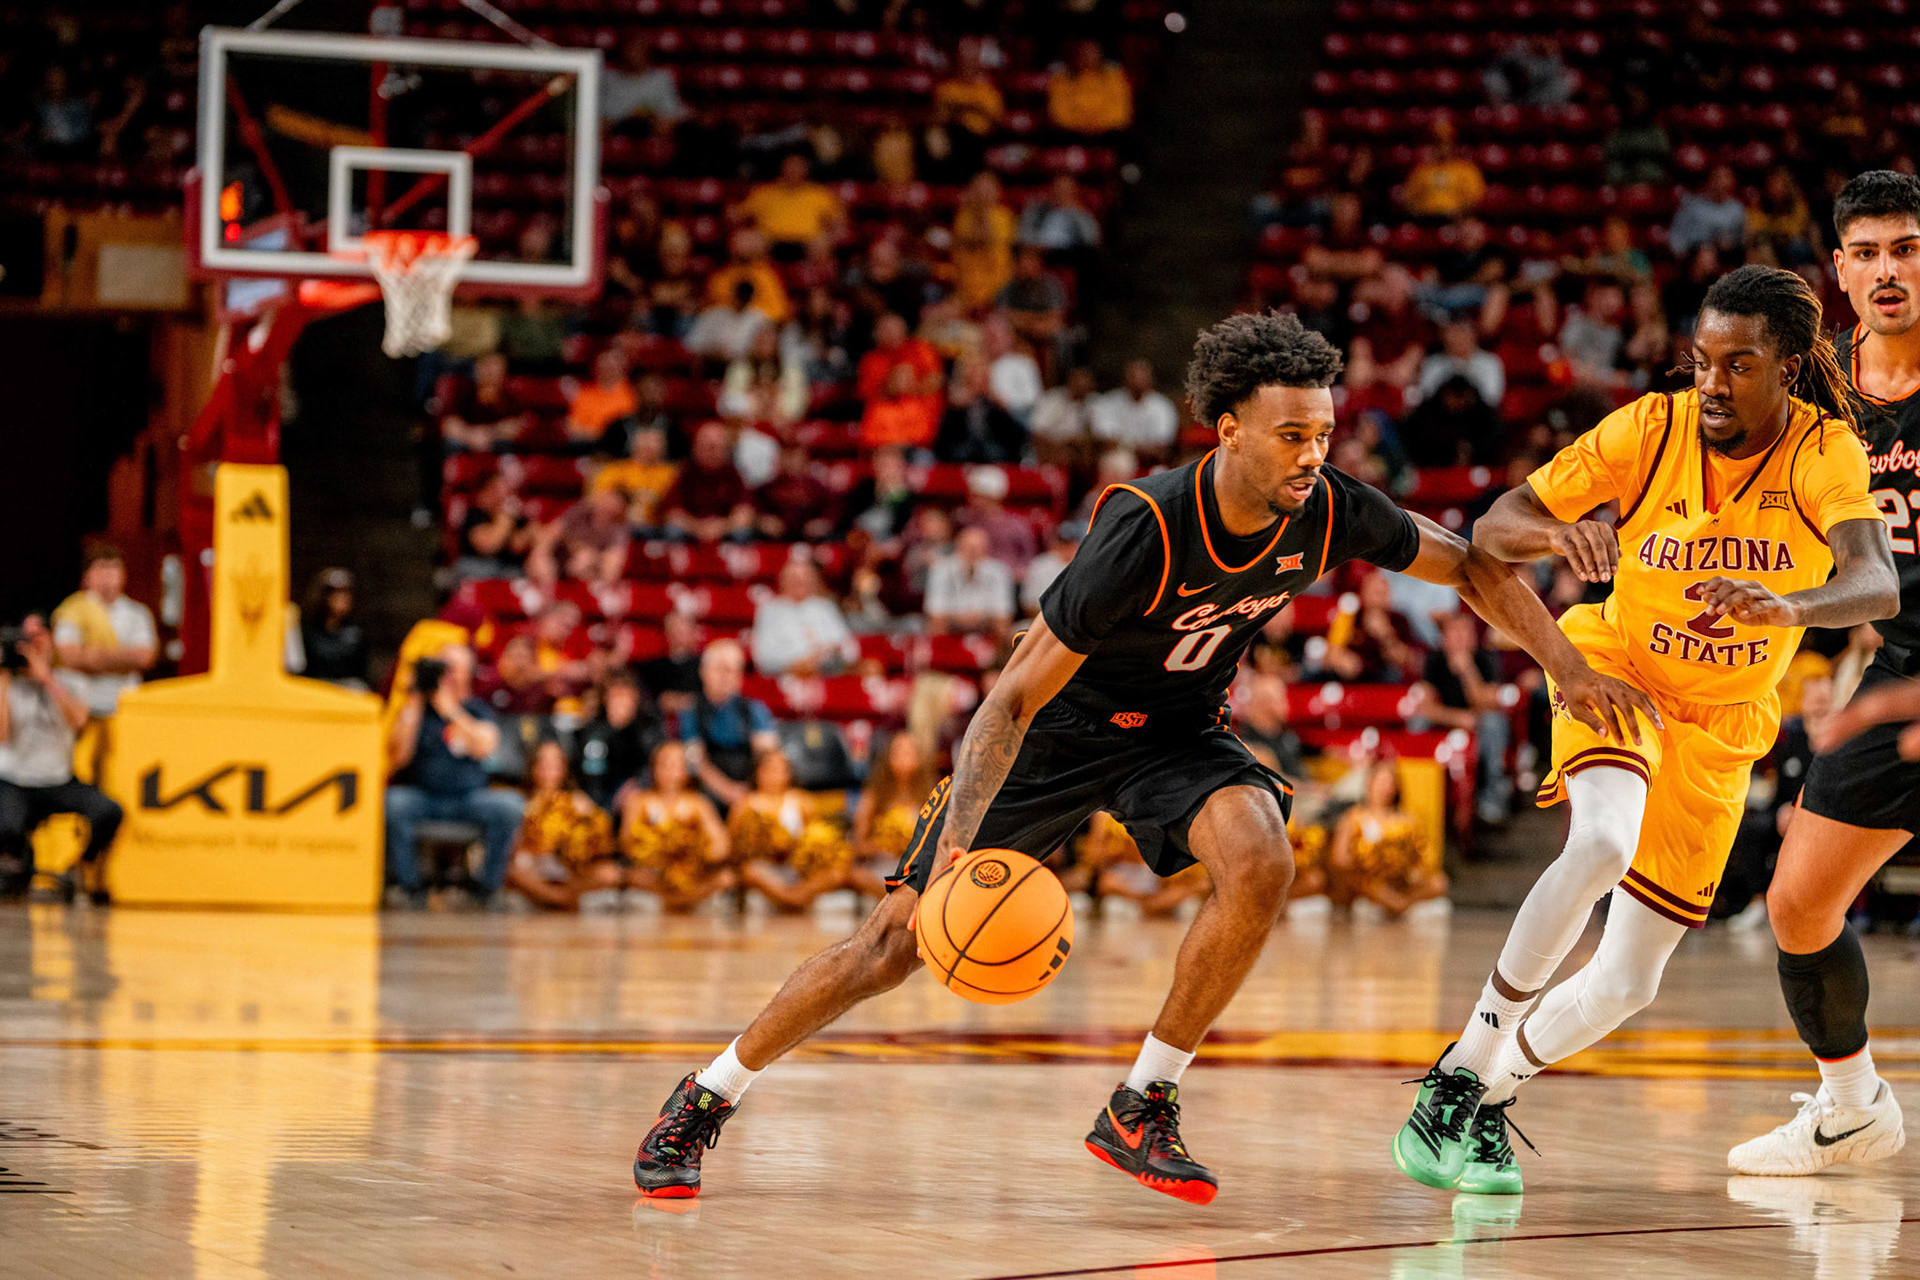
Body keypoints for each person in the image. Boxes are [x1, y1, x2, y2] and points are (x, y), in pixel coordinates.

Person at [631, 310, 1655, 1203]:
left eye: (1325, 432)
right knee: (892, 943)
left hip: (1174, 729)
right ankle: (706, 1095)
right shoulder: (1147, 526)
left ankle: (1142, 1098)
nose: (1313, 451)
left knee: (1263, 857)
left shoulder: (1332, 504)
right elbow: (1009, 698)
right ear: (1229, 430)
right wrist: (950, 858)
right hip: (1054, 735)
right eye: (1292, 433)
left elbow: (1471, 565)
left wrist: (1564, 660)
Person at [1397, 265, 1899, 1198]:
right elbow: (1496, 526)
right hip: (1618, 672)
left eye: (1738, 365)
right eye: (1701, 360)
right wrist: (1561, 537)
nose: (1712, 381)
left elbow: (1877, 583)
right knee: (1598, 840)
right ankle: (1462, 1067)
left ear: (1786, 368)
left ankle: (1485, 1098)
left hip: (1722, 725)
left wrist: (1789, 604)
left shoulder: (1823, 451)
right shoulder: (1650, 425)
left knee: (1628, 982)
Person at [1729, 172, 1920, 1176]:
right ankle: (1852, 1107)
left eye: (1908, 246)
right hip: (1895, 673)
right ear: (1840, 271)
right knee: (1799, 903)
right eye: (1870, 251)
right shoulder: (1816, 391)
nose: (1890, 268)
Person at [384, 646, 527, 908]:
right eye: (442, 667)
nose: (446, 674)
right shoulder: (419, 711)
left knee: (509, 805)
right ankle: (410, 888)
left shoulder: (478, 710)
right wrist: (415, 702)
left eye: (452, 668)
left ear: (468, 673)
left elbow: (486, 746)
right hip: (426, 798)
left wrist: (449, 710)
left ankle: (486, 889)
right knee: (393, 802)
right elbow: (397, 759)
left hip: (469, 800)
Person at [0, 616, 121, 904]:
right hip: (14, 779)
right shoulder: (7, 684)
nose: (30, 649)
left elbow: (79, 720)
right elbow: (2, 735)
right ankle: (16, 866)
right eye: (24, 643)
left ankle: (78, 867)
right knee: (6, 824)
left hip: (58, 779)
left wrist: (47, 679)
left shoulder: (71, 681)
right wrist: (3, 679)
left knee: (108, 811)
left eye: (37, 641)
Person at [1410, 611, 1511, 825]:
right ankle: (1416, 794)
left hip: (1480, 725)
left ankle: (1490, 799)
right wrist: (1459, 718)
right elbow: (1425, 707)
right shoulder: (1434, 660)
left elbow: (1488, 702)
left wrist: (1468, 672)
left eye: (1466, 632)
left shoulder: (1485, 659)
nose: (1461, 638)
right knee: (1416, 724)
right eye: (1455, 632)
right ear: (1444, 637)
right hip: (1447, 722)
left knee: (1496, 724)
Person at [731, 749, 858, 911]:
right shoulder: (745, 804)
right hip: (766, 868)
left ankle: (795, 895)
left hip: (796, 868)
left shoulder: (801, 800)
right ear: (758, 772)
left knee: (839, 873)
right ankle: (793, 899)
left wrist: (795, 849)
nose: (776, 774)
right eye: (770, 768)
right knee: (750, 871)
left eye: (782, 768)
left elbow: (818, 838)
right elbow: (733, 846)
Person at [503, 740, 623, 911]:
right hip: (534, 867)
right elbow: (511, 849)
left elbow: (601, 845)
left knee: (610, 874)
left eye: (555, 763)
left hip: (568, 871)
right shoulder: (520, 801)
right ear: (532, 767)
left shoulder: (577, 800)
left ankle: (554, 898)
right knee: (513, 870)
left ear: (564, 768)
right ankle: (559, 899)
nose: (548, 770)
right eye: (543, 763)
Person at [622, 740, 735, 912]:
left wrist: (692, 853)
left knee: (726, 878)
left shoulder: (698, 803)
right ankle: (682, 901)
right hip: (655, 876)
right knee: (630, 876)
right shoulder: (638, 800)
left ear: (686, 771)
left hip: (692, 875)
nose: (669, 771)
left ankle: (676, 901)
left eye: (676, 764)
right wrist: (660, 852)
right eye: (664, 764)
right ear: (653, 768)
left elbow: (721, 845)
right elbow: (627, 842)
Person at [1327, 759, 1449, 917]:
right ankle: (1392, 903)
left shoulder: (1408, 821)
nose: (1386, 787)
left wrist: (1407, 868)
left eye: (1391, 782)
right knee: (1363, 884)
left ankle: (1400, 903)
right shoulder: (1353, 817)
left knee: (1439, 882)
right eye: (1382, 781)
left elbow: (1423, 859)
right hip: (1365, 881)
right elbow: (1338, 859)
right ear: (1370, 782)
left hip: (1399, 881)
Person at [52, 545, 157, 724]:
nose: (108, 573)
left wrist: (92, 657)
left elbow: (145, 657)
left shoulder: (138, 613)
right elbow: (68, 656)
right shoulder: (74, 610)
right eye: (101, 567)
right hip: (82, 702)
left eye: (114, 567)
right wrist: (123, 659)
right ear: (87, 576)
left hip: (124, 701)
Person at [678, 638, 779, 807]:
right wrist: (729, 791)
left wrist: (748, 791)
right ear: (704, 672)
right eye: (722, 669)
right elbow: (696, 763)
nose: (728, 677)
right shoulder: (691, 712)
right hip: (708, 792)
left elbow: (767, 758)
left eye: (734, 670)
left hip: (751, 789)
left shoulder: (754, 709)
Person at [573, 669, 665, 813]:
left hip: (639, 796)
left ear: (636, 699)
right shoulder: (592, 730)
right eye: (617, 695)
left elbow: (658, 765)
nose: (622, 701)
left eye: (627, 695)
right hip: (599, 798)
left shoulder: (648, 727)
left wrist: (638, 785)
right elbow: (588, 774)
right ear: (605, 698)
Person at [751, 561, 858, 677]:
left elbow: (851, 649)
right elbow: (763, 658)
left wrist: (835, 649)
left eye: (805, 577)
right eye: (794, 578)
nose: (800, 582)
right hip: (785, 679)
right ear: (782, 580)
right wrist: (796, 665)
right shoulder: (769, 611)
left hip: (828, 677)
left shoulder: (825, 608)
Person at [657, 423, 755, 543]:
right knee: (673, 532)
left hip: (724, 532)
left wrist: (721, 528)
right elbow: (671, 513)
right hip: (691, 532)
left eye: (718, 447)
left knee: (742, 533)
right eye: (707, 447)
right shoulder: (684, 474)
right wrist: (698, 528)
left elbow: (745, 513)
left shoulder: (734, 476)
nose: (712, 453)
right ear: (695, 448)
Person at [735, 154, 844, 257]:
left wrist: (834, 232)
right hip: (769, 240)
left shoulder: (819, 193)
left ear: (805, 170)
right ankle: (760, 276)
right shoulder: (764, 191)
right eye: (790, 167)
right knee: (743, 241)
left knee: (822, 243)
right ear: (782, 168)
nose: (793, 171)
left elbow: (837, 219)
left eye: (798, 167)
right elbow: (739, 214)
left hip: (807, 241)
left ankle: (820, 276)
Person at [924, 526, 1016, 638]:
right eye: (968, 548)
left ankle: (1000, 656)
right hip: (951, 624)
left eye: (978, 549)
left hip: (986, 624)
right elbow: (935, 611)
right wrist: (961, 618)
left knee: (1004, 626)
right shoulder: (940, 570)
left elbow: (1004, 612)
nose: (972, 553)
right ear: (958, 548)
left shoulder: (999, 571)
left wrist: (980, 617)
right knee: (935, 624)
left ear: (986, 550)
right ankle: (942, 653)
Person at [1089, 359, 1179, 462]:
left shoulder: (1162, 406)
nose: (1137, 381)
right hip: (1117, 458)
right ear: (1125, 379)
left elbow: (1161, 445)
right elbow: (1106, 439)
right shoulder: (1110, 402)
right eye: (1133, 376)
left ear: (1151, 380)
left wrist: (1127, 445)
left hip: (1150, 461)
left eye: (1142, 377)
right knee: (1117, 461)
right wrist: (1137, 447)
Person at [298, 568, 370, 689]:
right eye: (336, 594)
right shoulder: (307, 633)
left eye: (346, 594)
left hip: (347, 691)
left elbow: (361, 671)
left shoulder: (356, 635)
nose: (342, 600)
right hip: (315, 690)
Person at [1046, 38, 1132, 136]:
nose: (1087, 56)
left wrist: (1096, 126)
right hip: (1069, 136)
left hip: (1110, 135)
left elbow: (1120, 115)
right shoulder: (1060, 79)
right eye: (1082, 52)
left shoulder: (1114, 76)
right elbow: (1059, 116)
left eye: (1091, 51)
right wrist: (1083, 127)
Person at [564, 350, 639, 448]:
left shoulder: (633, 395)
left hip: (620, 449)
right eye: (604, 366)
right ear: (596, 368)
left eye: (612, 366)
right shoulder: (584, 394)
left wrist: (595, 432)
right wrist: (603, 435)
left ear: (623, 368)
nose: (608, 369)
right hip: (588, 448)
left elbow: (629, 430)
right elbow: (572, 428)